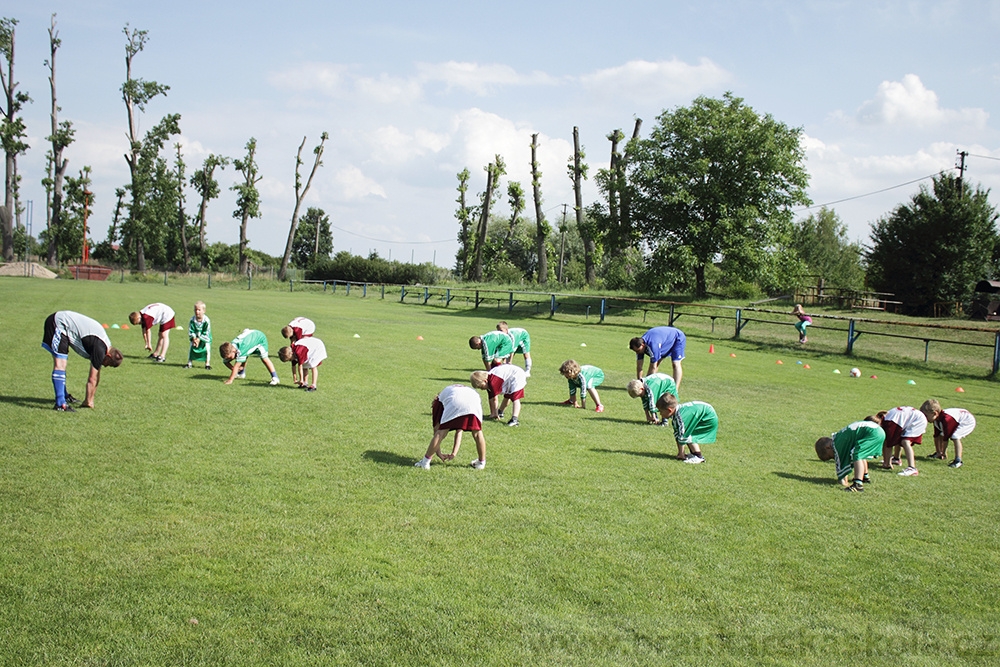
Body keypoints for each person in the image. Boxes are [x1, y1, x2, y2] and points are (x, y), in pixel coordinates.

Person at [41, 310, 124, 411]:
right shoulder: (100, 348)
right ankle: (60, 404)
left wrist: (90, 399)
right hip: (58, 323)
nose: (105, 366)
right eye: (109, 364)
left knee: (62, 363)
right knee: (60, 364)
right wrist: (88, 402)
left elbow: (96, 376)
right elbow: (92, 379)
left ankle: (64, 396)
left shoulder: (105, 347)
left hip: (65, 325)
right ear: (109, 356)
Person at [414, 384, 487, 470]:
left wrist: (439, 453)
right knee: (477, 433)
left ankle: (425, 462)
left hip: (456, 401)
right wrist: (453, 453)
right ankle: (481, 462)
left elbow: (437, 430)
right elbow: (459, 430)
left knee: (441, 433)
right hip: (474, 401)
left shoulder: (439, 402)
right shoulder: (453, 393)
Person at [815, 418, 885, 492]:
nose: (834, 458)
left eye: (831, 456)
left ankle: (858, 484)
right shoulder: (839, 438)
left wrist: (842, 480)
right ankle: (865, 476)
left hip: (873, 433)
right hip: (877, 431)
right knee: (860, 453)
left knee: (857, 454)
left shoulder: (837, 445)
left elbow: (842, 463)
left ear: (827, 447)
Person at [656, 394, 718, 464]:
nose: (660, 414)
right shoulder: (676, 415)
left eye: (661, 411)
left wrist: (681, 454)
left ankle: (698, 457)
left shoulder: (681, 417)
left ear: (669, 410)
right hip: (704, 413)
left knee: (688, 433)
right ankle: (693, 454)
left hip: (708, 418)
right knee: (686, 432)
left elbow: (682, 436)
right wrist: (680, 453)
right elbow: (677, 433)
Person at [920, 399, 975, 469]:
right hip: (959, 418)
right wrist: (938, 452)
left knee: (955, 436)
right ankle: (938, 453)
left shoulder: (946, 419)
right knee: (941, 434)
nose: (924, 418)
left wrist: (943, 452)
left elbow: (946, 439)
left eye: (926, 416)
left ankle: (958, 460)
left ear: (934, 413)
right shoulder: (937, 420)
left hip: (967, 421)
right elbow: (936, 436)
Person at [875, 406, 927, 476]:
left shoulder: (889, 423)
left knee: (905, 442)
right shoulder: (888, 419)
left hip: (917, 421)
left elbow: (887, 443)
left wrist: (886, 464)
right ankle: (896, 459)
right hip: (914, 419)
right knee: (898, 438)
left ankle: (912, 468)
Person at [281, 317, 316, 384]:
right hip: (303, 322)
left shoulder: (297, 330)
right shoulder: (289, 328)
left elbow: (299, 342)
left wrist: (296, 352)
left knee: (304, 341)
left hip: (309, 327)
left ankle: (308, 355)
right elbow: (292, 340)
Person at [186, 301, 212, 369]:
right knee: (191, 347)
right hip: (195, 338)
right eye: (196, 310)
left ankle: (207, 364)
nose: (197, 312)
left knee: (206, 349)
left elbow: (206, 332)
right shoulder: (192, 320)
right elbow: (191, 330)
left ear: (204, 311)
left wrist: (199, 339)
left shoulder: (206, 320)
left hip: (205, 338)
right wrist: (194, 338)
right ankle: (189, 363)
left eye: (199, 310)